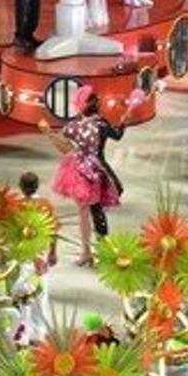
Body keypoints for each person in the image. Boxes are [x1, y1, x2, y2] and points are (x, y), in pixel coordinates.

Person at [49, 87, 126, 265]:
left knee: (85, 212)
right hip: (97, 171)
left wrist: (49, 134)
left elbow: (64, 145)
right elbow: (117, 135)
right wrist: (124, 120)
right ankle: (101, 247)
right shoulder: (101, 124)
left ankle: (88, 252)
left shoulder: (74, 126)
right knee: (96, 209)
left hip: (79, 172)